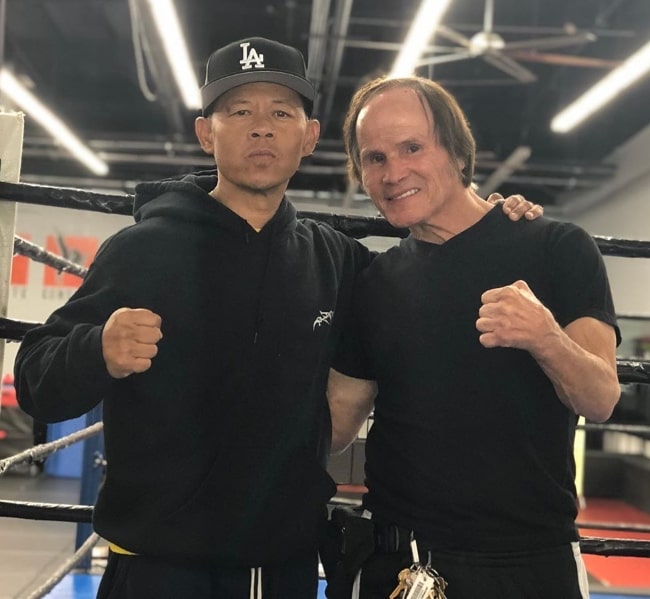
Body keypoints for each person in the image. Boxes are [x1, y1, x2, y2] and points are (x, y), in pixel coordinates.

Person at [13, 37, 540, 599]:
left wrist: (492, 218)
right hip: (154, 568)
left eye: (281, 112)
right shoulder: (140, 251)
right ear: (205, 133)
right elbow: (35, 382)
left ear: (308, 137)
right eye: (239, 111)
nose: (260, 127)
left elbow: (427, 273)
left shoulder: (336, 261)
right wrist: (96, 350)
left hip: (280, 568)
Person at [326, 76, 621, 599]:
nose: (394, 173)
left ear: (459, 154)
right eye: (375, 158)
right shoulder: (374, 282)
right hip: (399, 560)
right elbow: (333, 425)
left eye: (412, 147)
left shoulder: (557, 248)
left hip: (529, 560)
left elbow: (600, 399)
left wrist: (545, 337)